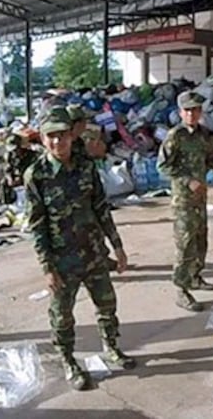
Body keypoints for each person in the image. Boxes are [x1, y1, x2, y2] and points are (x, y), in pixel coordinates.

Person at [24, 107, 133, 391]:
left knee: (107, 305)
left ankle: (112, 347)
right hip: (62, 261)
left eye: (63, 135)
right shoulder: (36, 175)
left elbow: (101, 209)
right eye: (51, 137)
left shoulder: (86, 167)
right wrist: (47, 267)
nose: (58, 142)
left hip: (94, 253)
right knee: (62, 315)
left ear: (72, 136)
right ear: (43, 139)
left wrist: (117, 247)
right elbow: (37, 226)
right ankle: (68, 360)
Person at [158, 91, 213, 312]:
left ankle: (195, 277)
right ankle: (181, 290)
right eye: (188, 110)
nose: (192, 114)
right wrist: (188, 181)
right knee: (185, 245)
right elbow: (164, 166)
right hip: (183, 200)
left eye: (196, 110)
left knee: (200, 240)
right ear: (180, 113)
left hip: (200, 198)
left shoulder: (204, 134)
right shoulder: (175, 136)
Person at [2, 133, 39, 204]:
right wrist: (10, 179)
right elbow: (7, 170)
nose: (14, 152)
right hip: (17, 178)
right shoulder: (10, 156)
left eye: (16, 149)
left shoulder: (31, 155)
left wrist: (21, 178)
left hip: (29, 177)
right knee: (3, 182)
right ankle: (6, 203)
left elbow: (34, 170)